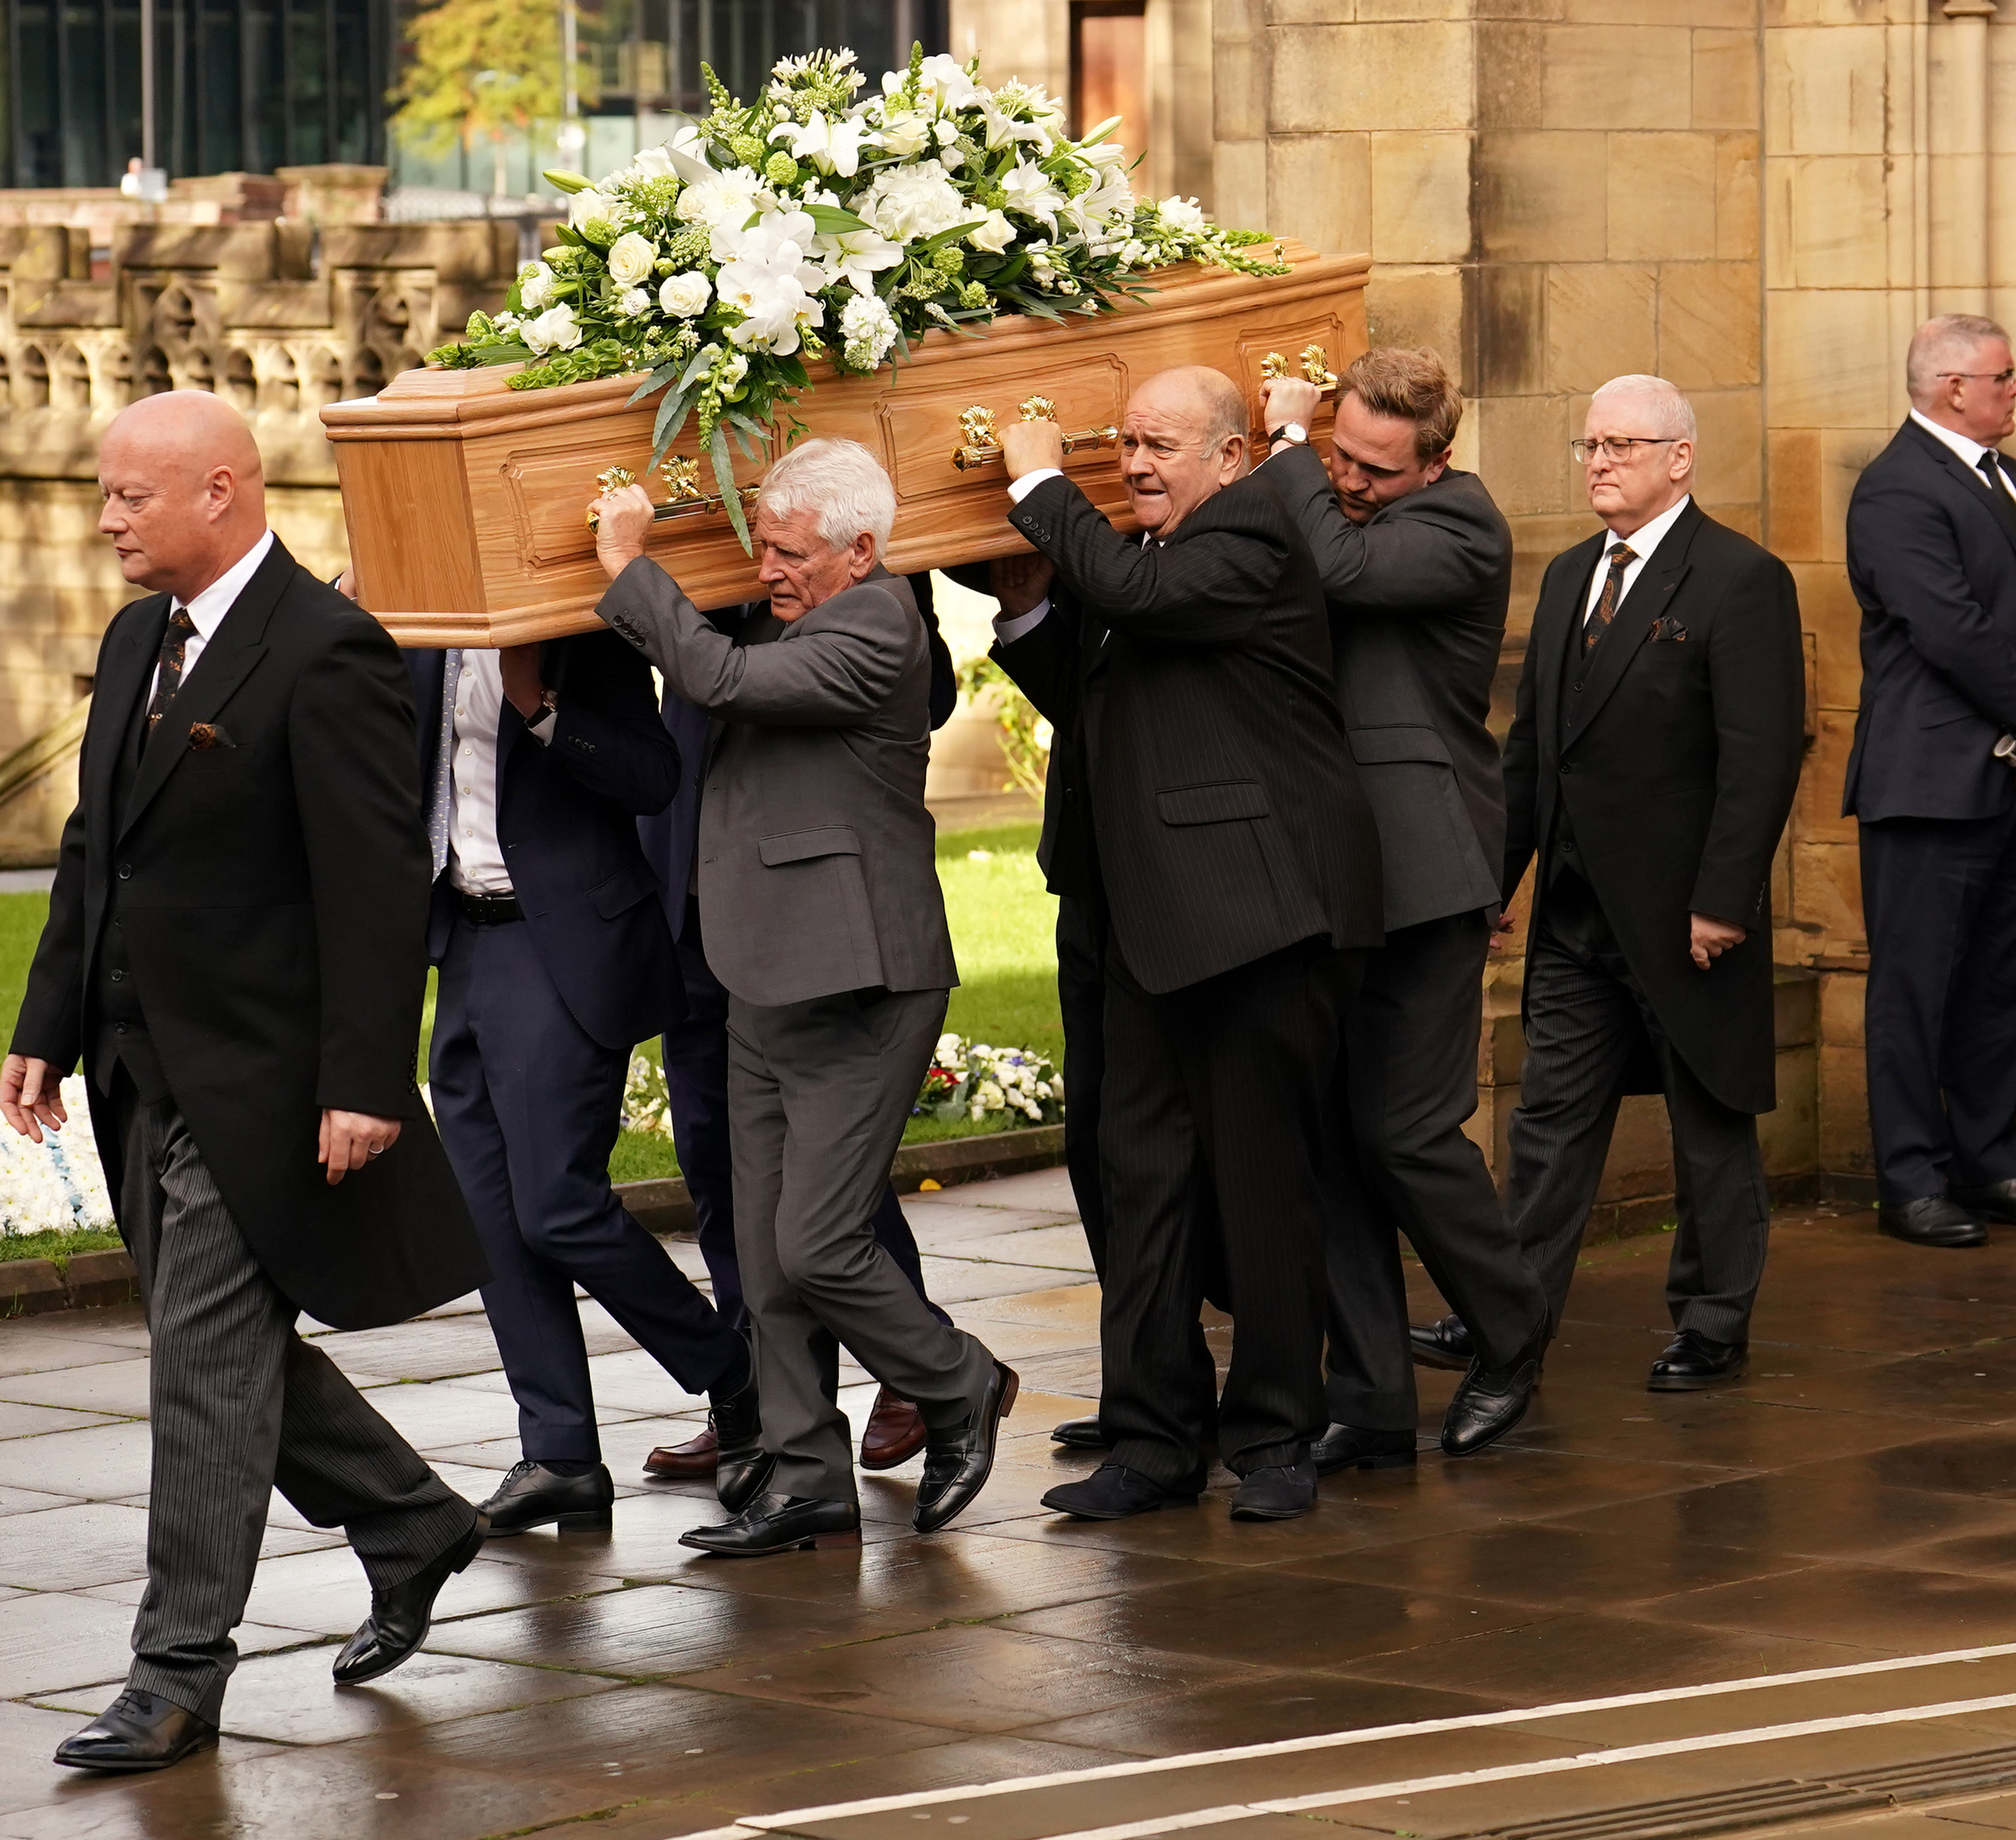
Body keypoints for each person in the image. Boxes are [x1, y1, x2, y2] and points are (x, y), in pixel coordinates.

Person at [0, 391, 488, 1773]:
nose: (104, 523)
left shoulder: (328, 651)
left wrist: (363, 1081)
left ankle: (175, 1673)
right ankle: (408, 1516)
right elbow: (101, 849)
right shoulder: (133, 636)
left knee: (204, 1377)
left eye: (129, 500)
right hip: (142, 1071)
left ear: (220, 492)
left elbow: (376, 887)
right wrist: (48, 1019)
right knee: (224, 1353)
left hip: (267, 1086)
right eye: (103, 497)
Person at [590, 438, 1017, 1557]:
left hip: (858, 980)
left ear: (863, 551)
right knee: (765, 1254)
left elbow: (718, 680)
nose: (766, 569)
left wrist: (633, 561)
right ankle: (804, 1476)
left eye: (788, 552)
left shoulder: (881, 626)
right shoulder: (787, 612)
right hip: (762, 973)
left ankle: (961, 1380)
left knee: (821, 1241)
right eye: (761, 545)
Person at [985, 364, 1384, 1523]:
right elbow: (1112, 695)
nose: (1140, 465)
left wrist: (1041, 475)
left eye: (1162, 445)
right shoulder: (1147, 562)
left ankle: (1275, 1441)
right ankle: (1155, 1438)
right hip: (1141, 916)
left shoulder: (1256, 531)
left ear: (1233, 454)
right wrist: (1023, 608)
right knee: (1139, 1181)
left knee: (1262, 1188)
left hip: (1258, 915)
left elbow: (1140, 605)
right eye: (1124, 450)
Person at [1257, 347, 1549, 1465]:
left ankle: (1513, 1328)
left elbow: (1333, 565)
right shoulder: (1354, 497)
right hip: (1329, 863)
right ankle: (1371, 1398)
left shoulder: (1463, 526)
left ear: (1436, 463)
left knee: (1407, 1128)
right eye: (1340, 454)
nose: (1351, 481)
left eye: (1377, 468)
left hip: (1424, 865)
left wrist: (1285, 446)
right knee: (1332, 1136)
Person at [409, 625, 760, 1533]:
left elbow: (654, 776)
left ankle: (733, 1371)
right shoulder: (419, 640)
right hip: (465, 943)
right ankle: (561, 1450)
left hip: (562, 943)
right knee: (490, 1218)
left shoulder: (580, 641)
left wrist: (540, 706)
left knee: (558, 1204)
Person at [1494, 374, 1802, 1389]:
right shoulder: (1571, 573)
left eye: (1623, 445)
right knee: (1549, 1120)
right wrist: (1495, 883)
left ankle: (1714, 1319)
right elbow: (1535, 753)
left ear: (1681, 458)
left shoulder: (1740, 578)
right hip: (1578, 917)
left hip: (1684, 916)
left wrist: (1722, 898)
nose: (1600, 461)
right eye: (1590, 445)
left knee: (1708, 1121)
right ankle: (1512, 1316)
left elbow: (1759, 758)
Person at [637, 576, 965, 1484]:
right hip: (697, 891)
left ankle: (917, 1363)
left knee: (821, 1177)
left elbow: (927, 693)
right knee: (720, 1164)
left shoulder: (857, 587)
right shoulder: (695, 566)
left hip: (801, 908)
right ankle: (766, 1401)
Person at [1843, 314, 2016, 1247]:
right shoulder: (1896, 490)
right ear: (1953, 388)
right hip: (1929, 783)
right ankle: (1910, 1182)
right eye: (2005, 376)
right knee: (1914, 990)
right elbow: (1949, 629)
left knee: (2002, 985)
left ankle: (1993, 1165)